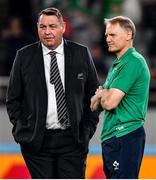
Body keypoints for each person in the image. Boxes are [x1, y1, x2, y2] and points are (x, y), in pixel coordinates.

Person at [6, 7, 100, 179]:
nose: (47, 32)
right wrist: (23, 131)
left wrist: (86, 130)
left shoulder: (81, 53)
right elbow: (13, 100)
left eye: (52, 26)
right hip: (37, 143)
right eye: (43, 27)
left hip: (73, 141)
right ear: (37, 28)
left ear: (63, 27)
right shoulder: (23, 56)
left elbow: (95, 96)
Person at [90, 16, 150, 179]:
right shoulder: (117, 65)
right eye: (107, 35)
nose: (108, 39)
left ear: (128, 34)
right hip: (113, 136)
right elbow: (93, 105)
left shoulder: (132, 62)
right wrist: (103, 96)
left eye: (113, 35)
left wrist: (102, 93)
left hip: (125, 135)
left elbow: (108, 103)